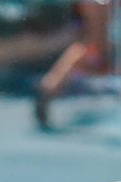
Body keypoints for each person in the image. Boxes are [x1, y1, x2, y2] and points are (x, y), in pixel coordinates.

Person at [35, 0, 114, 130]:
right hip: (103, 54)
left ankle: (47, 92)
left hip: (100, 53)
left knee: (75, 57)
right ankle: (47, 93)